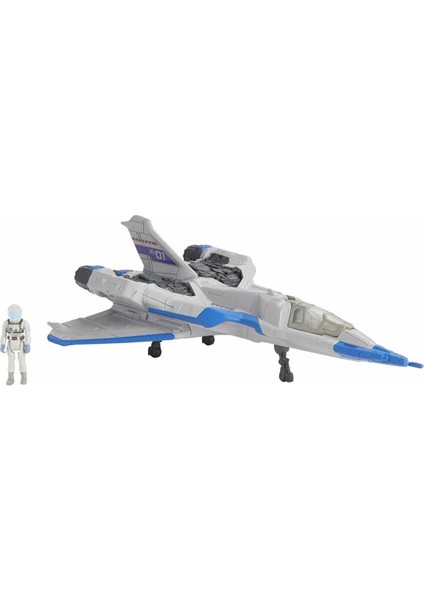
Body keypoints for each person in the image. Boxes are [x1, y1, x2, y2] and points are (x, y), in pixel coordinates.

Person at [1, 305, 31, 385]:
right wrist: (2, 344)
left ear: (20, 313)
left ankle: (24, 377)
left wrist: (27, 344)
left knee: (22, 360)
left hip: (20, 343)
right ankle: (10, 377)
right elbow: (3, 335)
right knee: (10, 361)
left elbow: (28, 335)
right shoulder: (6, 323)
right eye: (11, 313)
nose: (13, 315)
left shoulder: (24, 323)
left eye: (15, 313)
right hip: (10, 343)